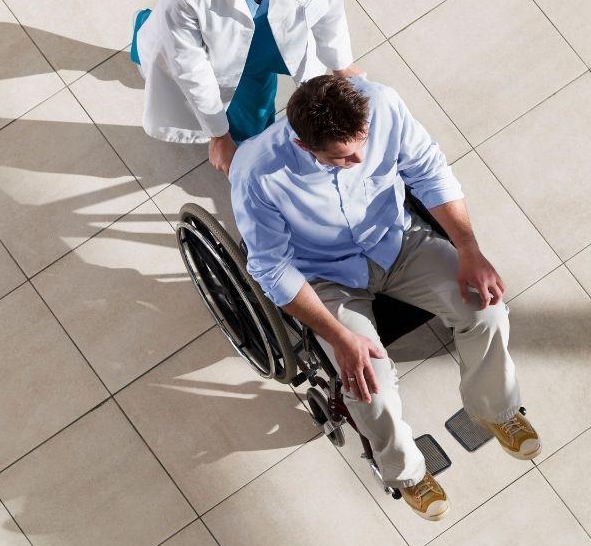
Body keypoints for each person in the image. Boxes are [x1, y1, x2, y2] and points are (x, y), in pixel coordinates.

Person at [229, 74, 541, 522]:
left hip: (398, 242)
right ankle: (405, 472)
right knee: (367, 384)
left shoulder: (383, 104)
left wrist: (469, 250)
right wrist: (337, 336)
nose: (359, 161)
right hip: (324, 275)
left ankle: (496, 408)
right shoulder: (256, 171)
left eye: (363, 145)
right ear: (304, 147)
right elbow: (271, 268)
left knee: (487, 309)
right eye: (341, 158)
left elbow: (428, 172)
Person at [131, 0, 361, 174]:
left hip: (284, 30)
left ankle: (151, 33)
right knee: (163, 52)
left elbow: (326, 1)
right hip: (224, 52)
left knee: (303, 77)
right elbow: (189, 67)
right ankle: (145, 34)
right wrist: (218, 134)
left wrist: (341, 62)